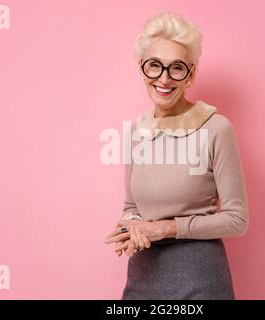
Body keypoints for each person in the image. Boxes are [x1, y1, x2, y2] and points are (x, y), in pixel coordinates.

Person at [105, 11, 249, 300]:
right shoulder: (137, 131)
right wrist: (130, 227)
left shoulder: (216, 128)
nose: (164, 78)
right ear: (141, 68)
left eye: (177, 68)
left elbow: (237, 219)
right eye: (154, 66)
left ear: (191, 74)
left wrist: (165, 228)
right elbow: (131, 205)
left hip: (200, 277)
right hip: (143, 277)